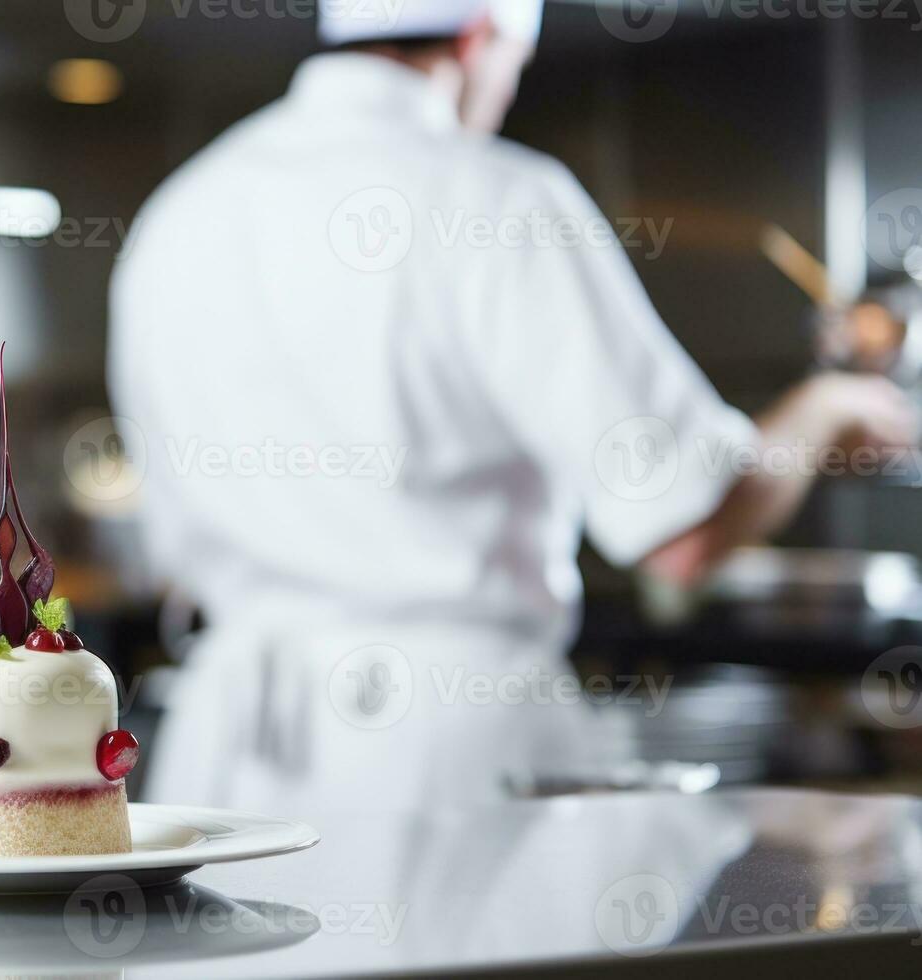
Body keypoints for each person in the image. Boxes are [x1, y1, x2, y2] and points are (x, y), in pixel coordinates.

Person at [108, 0, 917, 816]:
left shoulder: (179, 210)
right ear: (480, 37)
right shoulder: (496, 195)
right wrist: (824, 411)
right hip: (439, 755)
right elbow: (683, 532)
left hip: (219, 764)